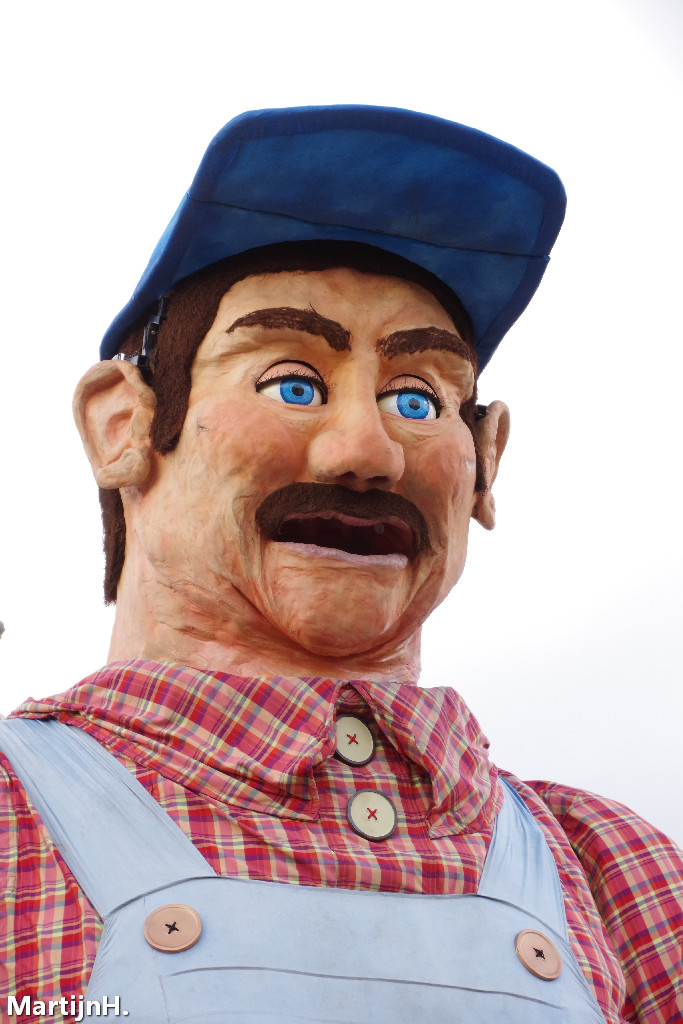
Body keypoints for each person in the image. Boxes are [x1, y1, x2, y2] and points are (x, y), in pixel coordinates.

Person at [0, 106, 680, 1024]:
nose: (367, 451)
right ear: (123, 426)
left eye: (416, 399)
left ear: (485, 463)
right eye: (292, 383)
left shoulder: (619, 874)